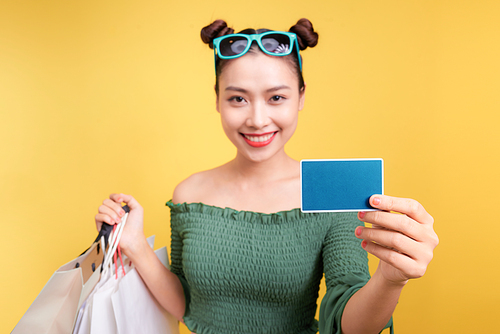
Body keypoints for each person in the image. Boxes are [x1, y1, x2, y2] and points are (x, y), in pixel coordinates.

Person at [94, 18, 439, 334]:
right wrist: (134, 245)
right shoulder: (189, 193)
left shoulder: (330, 194)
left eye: (276, 97)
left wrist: (390, 280)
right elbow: (188, 306)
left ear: (301, 97)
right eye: (238, 98)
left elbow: (349, 325)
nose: (257, 119)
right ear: (217, 100)